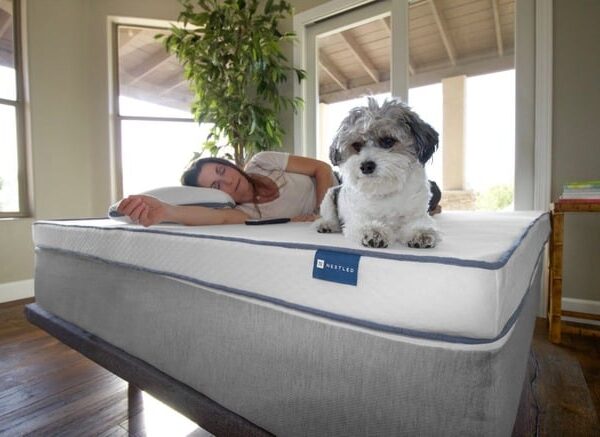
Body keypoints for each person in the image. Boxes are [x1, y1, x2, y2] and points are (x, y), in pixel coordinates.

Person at [117, 151, 336, 227]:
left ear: (228, 165)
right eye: (217, 185)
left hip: (342, 186)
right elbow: (216, 218)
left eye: (222, 172)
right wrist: (166, 211)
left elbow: (321, 168)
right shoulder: (246, 213)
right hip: (342, 217)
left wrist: (321, 214)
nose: (229, 182)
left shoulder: (263, 161)